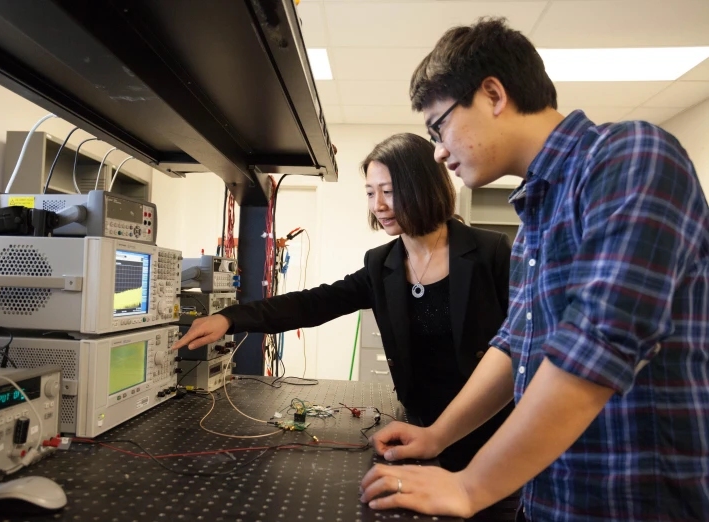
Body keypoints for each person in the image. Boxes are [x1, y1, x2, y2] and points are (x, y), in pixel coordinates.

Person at [359, 18, 709, 522]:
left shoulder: (632, 156)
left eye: (440, 126)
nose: (438, 150)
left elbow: (597, 344)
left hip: (632, 505)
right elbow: (514, 343)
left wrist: (471, 486)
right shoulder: (535, 217)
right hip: (546, 499)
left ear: (493, 95)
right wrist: (439, 435)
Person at [173, 133, 514, 479]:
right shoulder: (382, 264)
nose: (377, 204)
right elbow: (314, 304)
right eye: (370, 192)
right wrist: (231, 318)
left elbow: (522, 353)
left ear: (424, 185)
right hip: (418, 425)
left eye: (389, 191)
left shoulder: (492, 253)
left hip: (488, 429)